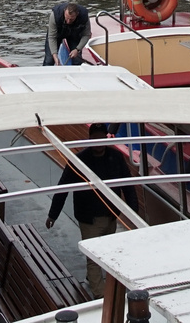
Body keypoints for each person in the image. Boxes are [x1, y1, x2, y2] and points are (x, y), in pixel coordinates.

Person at [46, 124, 139, 293]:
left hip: (111, 217)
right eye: (95, 139)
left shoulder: (116, 158)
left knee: (107, 253)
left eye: (101, 138)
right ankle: (100, 297)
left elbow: (128, 186)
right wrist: (53, 215)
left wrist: (134, 214)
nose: (98, 142)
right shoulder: (80, 160)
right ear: (89, 140)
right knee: (93, 259)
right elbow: (63, 187)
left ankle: (93, 279)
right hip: (88, 219)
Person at [42, 1, 90, 65]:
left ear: (77, 14)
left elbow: (86, 35)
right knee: (49, 60)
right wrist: (55, 55)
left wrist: (77, 49)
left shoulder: (84, 17)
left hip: (74, 34)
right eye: (67, 18)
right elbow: (52, 37)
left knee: (77, 60)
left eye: (71, 19)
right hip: (57, 34)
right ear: (64, 11)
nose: (68, 21)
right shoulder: (55, 15)